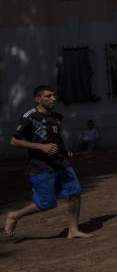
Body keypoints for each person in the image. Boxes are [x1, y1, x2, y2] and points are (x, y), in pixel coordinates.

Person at [4, 85, 92, 239]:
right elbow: (14, 141)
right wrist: (41, 147)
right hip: (40, 167)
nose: (53, 99)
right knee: (46, 204)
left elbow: (55, 138)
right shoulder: (29, 117)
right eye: (48, 96)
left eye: (53, 96)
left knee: (75, 192)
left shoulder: (57, 117)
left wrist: (64, 150)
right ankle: (15, 215)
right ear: (38, 99)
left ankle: (73, 230)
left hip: (60, 163)